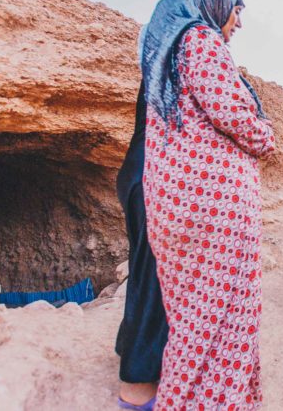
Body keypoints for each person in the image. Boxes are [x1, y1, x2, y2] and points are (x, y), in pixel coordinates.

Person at [141, 0, 276, 409]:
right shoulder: (200, 39)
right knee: (214, 323)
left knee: (194, 319)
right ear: (215, 3)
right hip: (212, 210)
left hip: (181, 205)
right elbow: (233, 114)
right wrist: (266, 135)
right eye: (237, 10)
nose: (239, 22)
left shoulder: (169, 51)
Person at [115, 80, 170, 411]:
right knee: (156, 281)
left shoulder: (163, 46)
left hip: (141, 172)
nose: (239, 24)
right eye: (234, 21)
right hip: (155, 178)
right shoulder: (186, 43)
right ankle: (137, 388)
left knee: (144, 272)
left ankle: (128, 344)